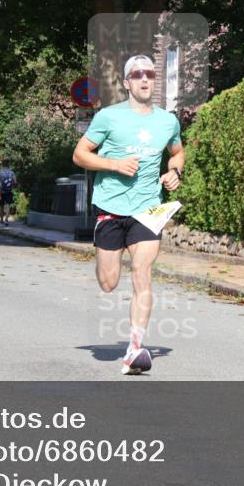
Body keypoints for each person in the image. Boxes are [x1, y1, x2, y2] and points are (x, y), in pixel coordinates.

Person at [72, 54, 184, 376]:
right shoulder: (108, 117)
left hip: (149, 208)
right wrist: (113, 165)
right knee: (108, 282)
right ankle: (107, 263)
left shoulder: (168, 121)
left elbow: (177, 153)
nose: (145, 79)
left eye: (149, 73)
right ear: (126, 82)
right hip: (110, 207)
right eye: (137, 75)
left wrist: (173, 172)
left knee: (142, 271)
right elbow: (80, 154)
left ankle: (135, 348)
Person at [0, 159, 17, 227]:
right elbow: (15, 182)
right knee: (8, 205)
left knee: (1, 206)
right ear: (8, 164)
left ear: (2, 164)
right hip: (9, 191)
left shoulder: (0, 172)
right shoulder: (11, 172)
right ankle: (6, 220)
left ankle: (1, 220)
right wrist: (11, 187)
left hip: (1, 191)